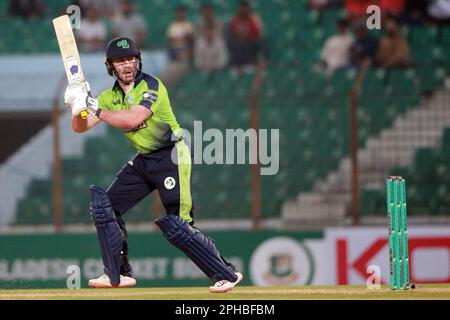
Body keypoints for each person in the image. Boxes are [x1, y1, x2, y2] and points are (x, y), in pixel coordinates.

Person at [63, 37, 243, 293]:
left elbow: (133, 118)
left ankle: (226, 273)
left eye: (131, 59)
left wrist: (93, 107)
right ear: (110, 66)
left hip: (171, 155)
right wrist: (77, 107)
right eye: (121, 61)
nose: (127, 65)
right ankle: (119, 274)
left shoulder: (152, 86)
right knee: (106, 208)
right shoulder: (108, 97)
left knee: (178, 224)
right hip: (145, 158)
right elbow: (80, 127)